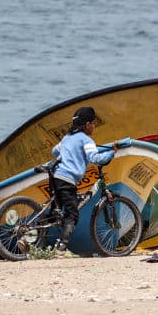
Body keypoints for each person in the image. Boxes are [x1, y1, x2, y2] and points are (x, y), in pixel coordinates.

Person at [51, 106, 118, 253]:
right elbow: (95, 158)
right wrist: (112, 153)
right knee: (72, 215)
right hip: (67, 179)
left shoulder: (67, 138)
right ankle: (60, 247)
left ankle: (40, 234)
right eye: (93, 123)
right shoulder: (86, 140)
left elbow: (55, 151)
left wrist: (68, 155)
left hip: (56, 177)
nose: (94, 126)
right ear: (87, 125)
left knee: (58, 210)